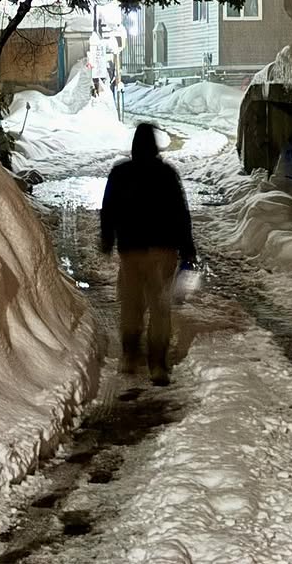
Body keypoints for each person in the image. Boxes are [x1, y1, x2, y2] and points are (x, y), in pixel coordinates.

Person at [100, 123, 196, 385]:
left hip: (131, 250)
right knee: (160, 307)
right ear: (154, 146)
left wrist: (108, 238)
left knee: (131, 305)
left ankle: (130, 356)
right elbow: (180, 212)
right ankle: (157, 363)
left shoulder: (120, 173)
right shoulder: (167, 174)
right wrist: (188, 247)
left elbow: (108, 208)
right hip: (163, 251)